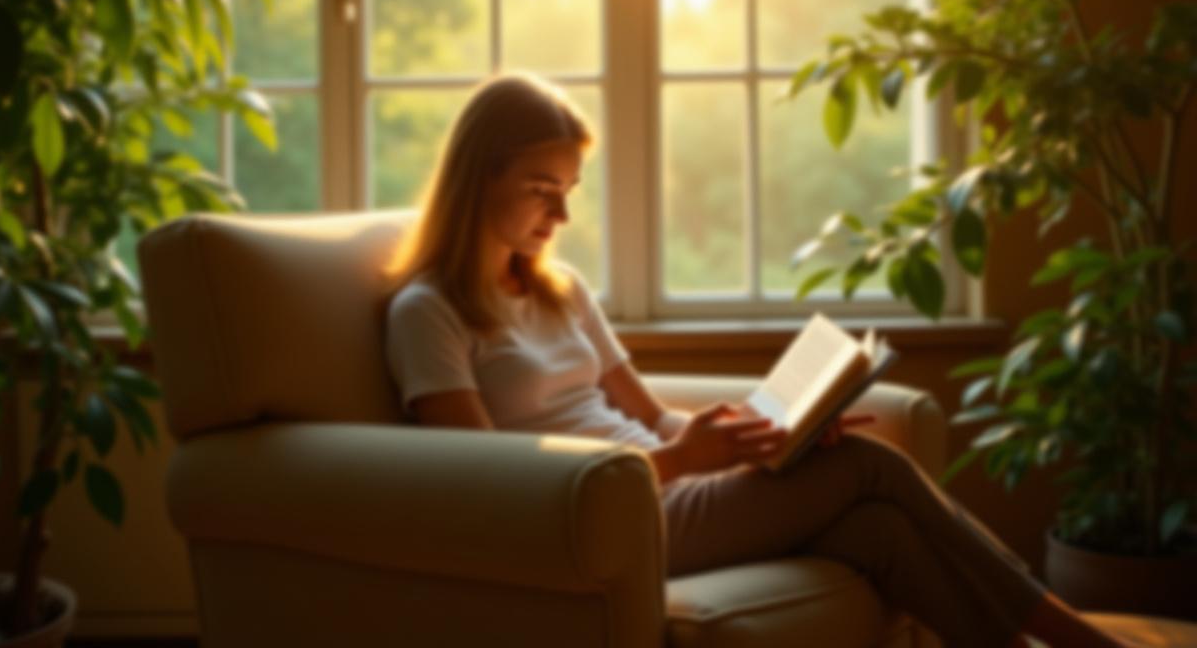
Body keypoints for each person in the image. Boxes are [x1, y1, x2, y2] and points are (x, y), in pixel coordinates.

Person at [383, 72, 1124, 648]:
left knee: (882, 535)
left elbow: (651, 415)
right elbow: (484, 493)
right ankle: (1085, 638)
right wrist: (678, 460)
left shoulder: (561, 288)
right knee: (870, 467)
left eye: (570, 190)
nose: (564, 215)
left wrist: (760, 433)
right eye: (542, 191)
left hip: (670, 481)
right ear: (478, 177)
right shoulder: (428, 312)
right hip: (612, 515)